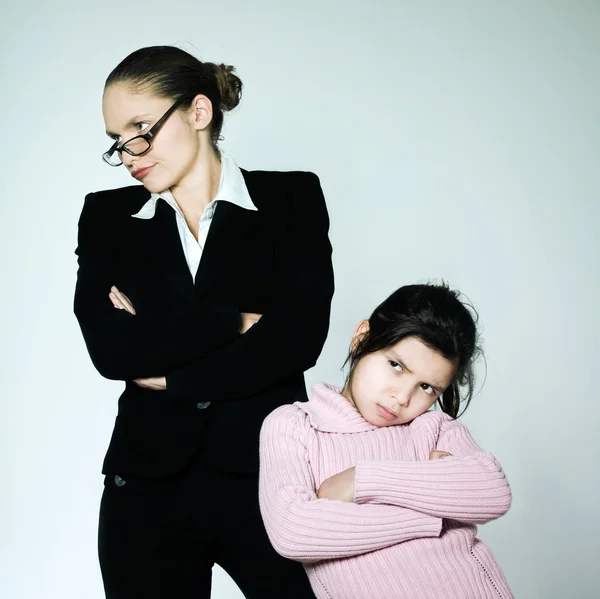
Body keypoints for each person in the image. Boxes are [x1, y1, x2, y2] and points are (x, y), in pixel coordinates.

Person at [74, 45, 334, 599]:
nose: (129, 152)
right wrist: (236, 322)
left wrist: (171, 370)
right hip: (146, 488)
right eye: (117, 140)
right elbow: (113, 353)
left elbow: (299, 337)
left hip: (269, 477)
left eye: (141, 128)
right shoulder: (107, 218)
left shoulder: (291, 200)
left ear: (198, 112)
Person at [259, 283, 513, 599]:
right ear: (362, 337)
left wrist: (364, 480)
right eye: (396, 366)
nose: (402, 397)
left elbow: (492, 491)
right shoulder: (297, 427)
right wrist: (436, 514)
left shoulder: (433, 427)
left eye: (427, 388)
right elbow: (293, 532)